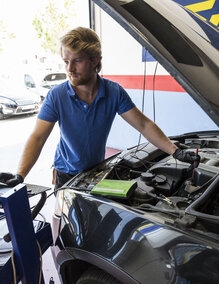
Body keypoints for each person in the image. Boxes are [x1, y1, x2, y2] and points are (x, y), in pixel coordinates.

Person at [0, 27, 199, 190]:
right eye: (66, 62)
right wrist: (20, 175)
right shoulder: (56, 95)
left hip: (97, 170)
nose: (69, 69)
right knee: (62, 220)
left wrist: (175, 151)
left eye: (76, 61)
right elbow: (38, 137)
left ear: (94, 60)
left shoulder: (114, 92)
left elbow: (144, 125)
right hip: (65, 172)